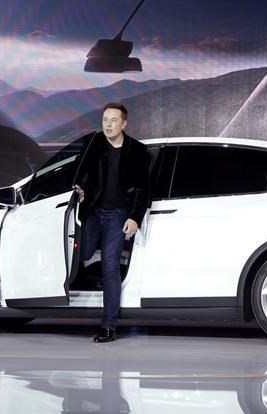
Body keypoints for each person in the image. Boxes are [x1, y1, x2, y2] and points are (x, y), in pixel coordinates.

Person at [74, 103, 151, 343]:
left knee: (110, 266)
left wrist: (134, 217)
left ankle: (108, 327)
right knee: (81, 252)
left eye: (113, 120)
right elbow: (79, 171)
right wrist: (80, 189)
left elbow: (142, 189)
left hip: (117, 214)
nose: (108, 125)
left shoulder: (137, 151)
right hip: (93, 211)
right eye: (105, 120)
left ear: (124, 123)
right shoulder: (94, 144)